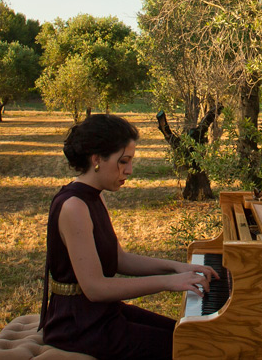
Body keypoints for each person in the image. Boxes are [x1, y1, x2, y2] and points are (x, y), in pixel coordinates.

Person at [39, 113, 218, 360]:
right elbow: (95, 288)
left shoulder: (93, 196)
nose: (130, 170)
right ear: (97, 159)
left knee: (190, 337)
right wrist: (168, 283)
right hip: (77, 326)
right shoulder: (74, 206)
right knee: (187, 349)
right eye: (123, 161)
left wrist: (177, 268)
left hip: (100, 314)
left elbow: (119, 259)